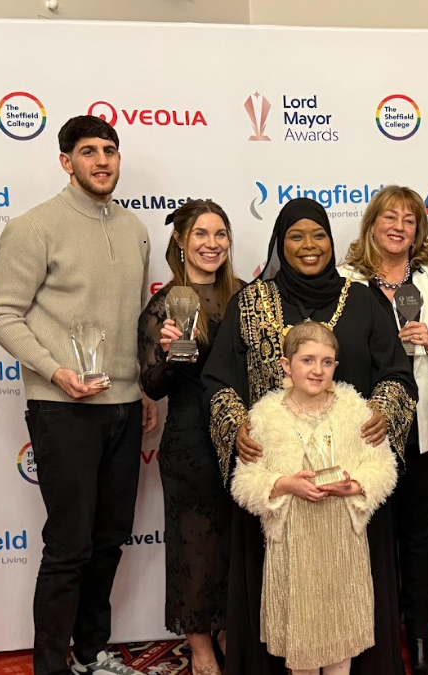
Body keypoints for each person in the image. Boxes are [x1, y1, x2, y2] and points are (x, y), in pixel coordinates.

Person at [202, 197, 416, 675]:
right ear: (280, 243)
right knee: (284, 599)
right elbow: (219, 381)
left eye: (318, 235)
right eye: (296, 236)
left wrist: (386, 408)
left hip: (350, 484)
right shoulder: (251, 302)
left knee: (347, 600)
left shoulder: (364, 300)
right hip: (278, 482)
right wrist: (236, 423)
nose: (309, 246)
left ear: (332, 241)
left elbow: (398, 374)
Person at [0, 115, 156, 675]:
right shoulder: (36, 227)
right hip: (63, 409)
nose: (102, 161)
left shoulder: (134, 229)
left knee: (109, 540)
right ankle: (50, 666)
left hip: (126, 406)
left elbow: (130, 320)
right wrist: (55, 371)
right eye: (88, 152)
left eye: (110, 150)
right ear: (66, 162)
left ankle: (90, 652)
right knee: (69, 545)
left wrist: (144, 388)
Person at [339, 185, 428, 675]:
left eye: (409, 220)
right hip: (368, 430)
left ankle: (419, 637)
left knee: (419, 539)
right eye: (389, 217)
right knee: (368, 537)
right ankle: (374, 637)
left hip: (426, 432)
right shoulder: (346, 280)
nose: (399, 226)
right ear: (371, 225)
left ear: (419, 231)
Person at [231, 321, 398, 675]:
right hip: (295, 546)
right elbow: (244, 483)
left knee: (341, 641)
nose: (317, 370)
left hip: (342, 545)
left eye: (326, 361)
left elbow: (384, 469)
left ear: (336, 366)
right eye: (307, 360)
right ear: (286, 365)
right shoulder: (265, 417)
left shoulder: (355, 411)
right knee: (302, 646)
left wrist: (354, 486)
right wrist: (285, 483)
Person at [138, 200, 243, 674]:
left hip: (244, 441)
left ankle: (230, 631)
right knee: (195, 547)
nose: (212, 243)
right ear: (181, 241)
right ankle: (201, 650)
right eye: (201, 234)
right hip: (189, 443)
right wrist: (168, 353)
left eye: (220, 234)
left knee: (237, 545)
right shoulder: (164, 306)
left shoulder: (245, 296)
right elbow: (152, 385)